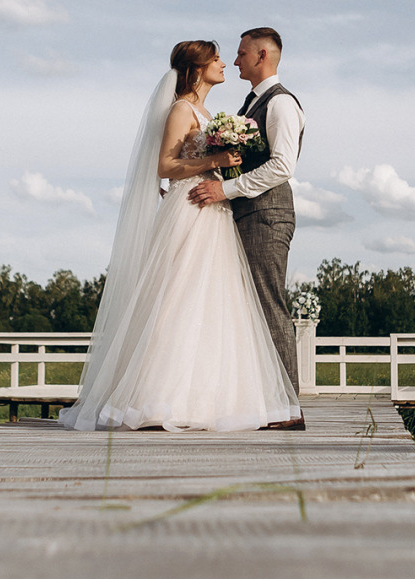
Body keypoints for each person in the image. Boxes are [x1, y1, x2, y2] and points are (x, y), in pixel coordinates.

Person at [59, 40, 300, 432]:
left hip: (217, 210)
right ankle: (157, 397)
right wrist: (214, 161)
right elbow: (166, 166)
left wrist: (219, 171)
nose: (225, 63)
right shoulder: (181, 109)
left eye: (231, 55)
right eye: (217, 58)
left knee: (215, 305)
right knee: (177, 297)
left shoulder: (212, 112)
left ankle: (207, 399)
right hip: (192, 209)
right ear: (197, 67)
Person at [188, 27, 306, 428]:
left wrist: (226, 190)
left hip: (266, 215)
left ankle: (289, 409)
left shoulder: (281, 103)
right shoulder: (251, 102)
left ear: (261, 55)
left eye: (240, 53)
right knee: (247, 310)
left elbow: (282, 166)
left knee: (268, 305)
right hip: (246, 214)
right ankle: (261, 401)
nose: (235, 60)